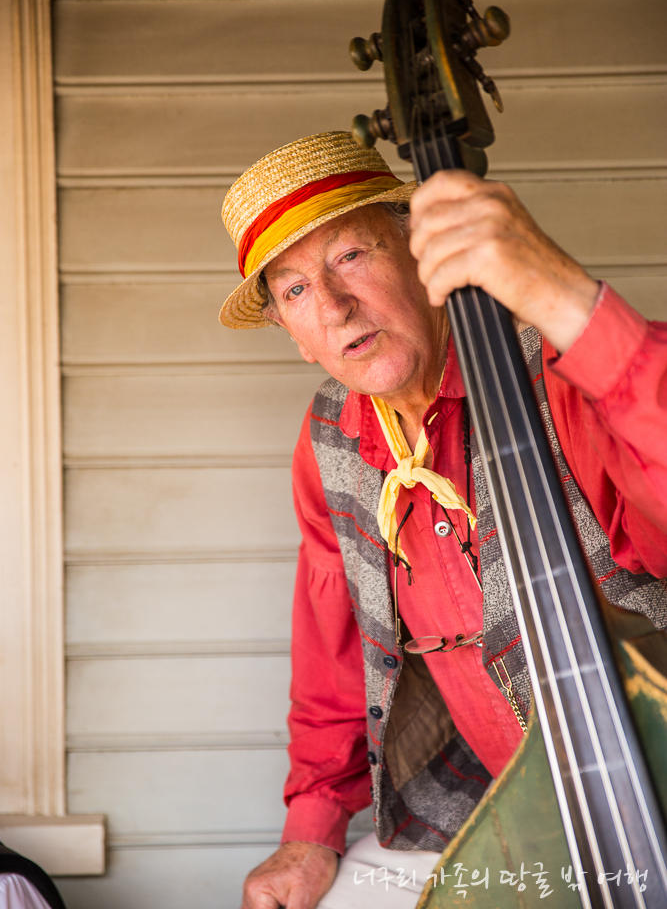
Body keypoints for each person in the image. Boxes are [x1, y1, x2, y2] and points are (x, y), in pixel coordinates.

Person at [218, 131, 667, 909]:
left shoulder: (552, 370)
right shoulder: (330, 435)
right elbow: (333, 651)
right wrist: (311, 830)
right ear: (293, 338)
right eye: (293, 291)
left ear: (422, 252)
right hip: (506, 803)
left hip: (647, 780)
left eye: (350, 256)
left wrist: (571, 304)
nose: (331, 306)